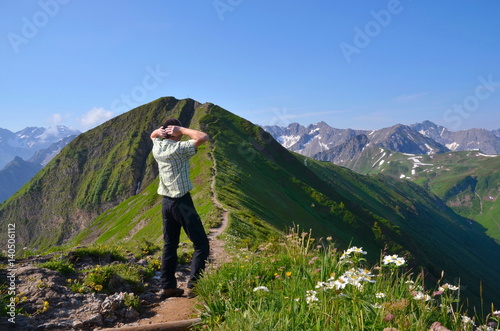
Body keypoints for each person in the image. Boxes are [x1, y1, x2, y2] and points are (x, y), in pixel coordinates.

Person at [150, 118, 210, 299]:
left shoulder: (157, 147)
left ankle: (167, 286)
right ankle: (194, 285)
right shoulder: (180, 149)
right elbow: (203, 137)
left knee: (170, 245)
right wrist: (182, 129)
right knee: (201, 244)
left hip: (166, 203)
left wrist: (159, 132)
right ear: (174, 132)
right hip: (182, 203)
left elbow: (152, 135)